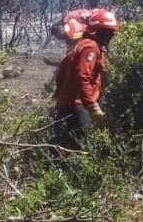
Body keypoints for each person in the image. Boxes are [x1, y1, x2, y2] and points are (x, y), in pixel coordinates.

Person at [51, 8, 119, 148]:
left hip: (67, 106)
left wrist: (60, 95)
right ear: (100, 31)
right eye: (109, 32)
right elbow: (82, 76)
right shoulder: (91, 48)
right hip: (78, 107)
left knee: (64, 148)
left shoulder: (80, 45)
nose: (112, 35)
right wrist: (92, 105)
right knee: (78, 149)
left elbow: (61, 73)